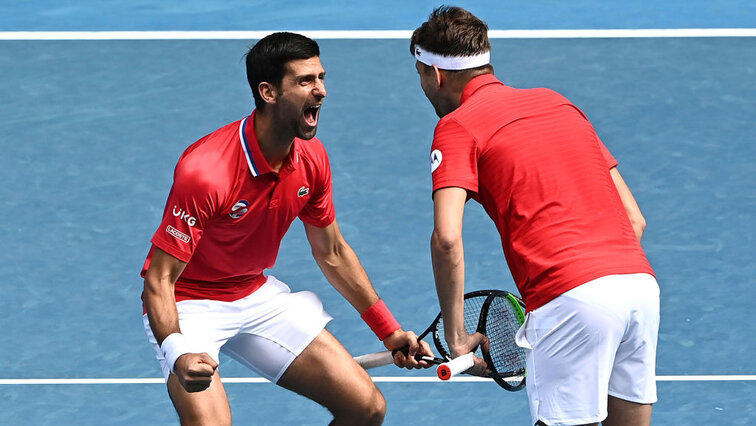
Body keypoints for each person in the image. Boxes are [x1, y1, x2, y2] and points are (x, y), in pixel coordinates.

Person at [141, 31, 431, 425]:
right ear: (268, 92)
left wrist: (389, 330)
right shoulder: (206, 173)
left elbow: (332, 252)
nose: (321, 91)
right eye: (305, 81)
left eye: (321, 77)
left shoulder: (311, 157)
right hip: (190, 303)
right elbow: (159, 280)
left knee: (366, 409)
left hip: (255, 293)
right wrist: (177, 349)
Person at [410, 7, 660, 426]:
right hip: (639, 289)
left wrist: (457, 338)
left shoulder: (457, 126)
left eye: (419, 75)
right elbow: (634, 220)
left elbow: (447, 239)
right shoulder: (559, 103)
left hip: (571, 297)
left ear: (435, 74)